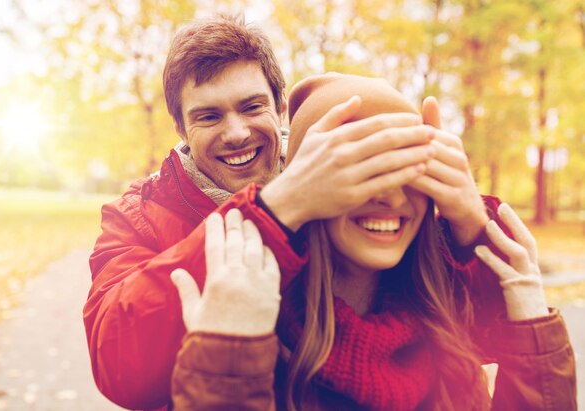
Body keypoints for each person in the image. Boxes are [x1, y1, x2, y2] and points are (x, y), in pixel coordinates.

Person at [85, 15, 508, 411]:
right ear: (181, 128)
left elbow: (471, 332)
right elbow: (121, 368)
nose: (236, 133)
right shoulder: (138, 215)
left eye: (252, 107)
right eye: (209, 116)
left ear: (280, 108)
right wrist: (276, 210)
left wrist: (471, 226)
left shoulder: (345, 187)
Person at [170, 73, 577, 410]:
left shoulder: (447, 335)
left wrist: (533, 339)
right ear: (310, 184)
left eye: (409, 170)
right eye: (363, 172)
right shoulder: (252, 331)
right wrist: (225, 372)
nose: (391, 196)